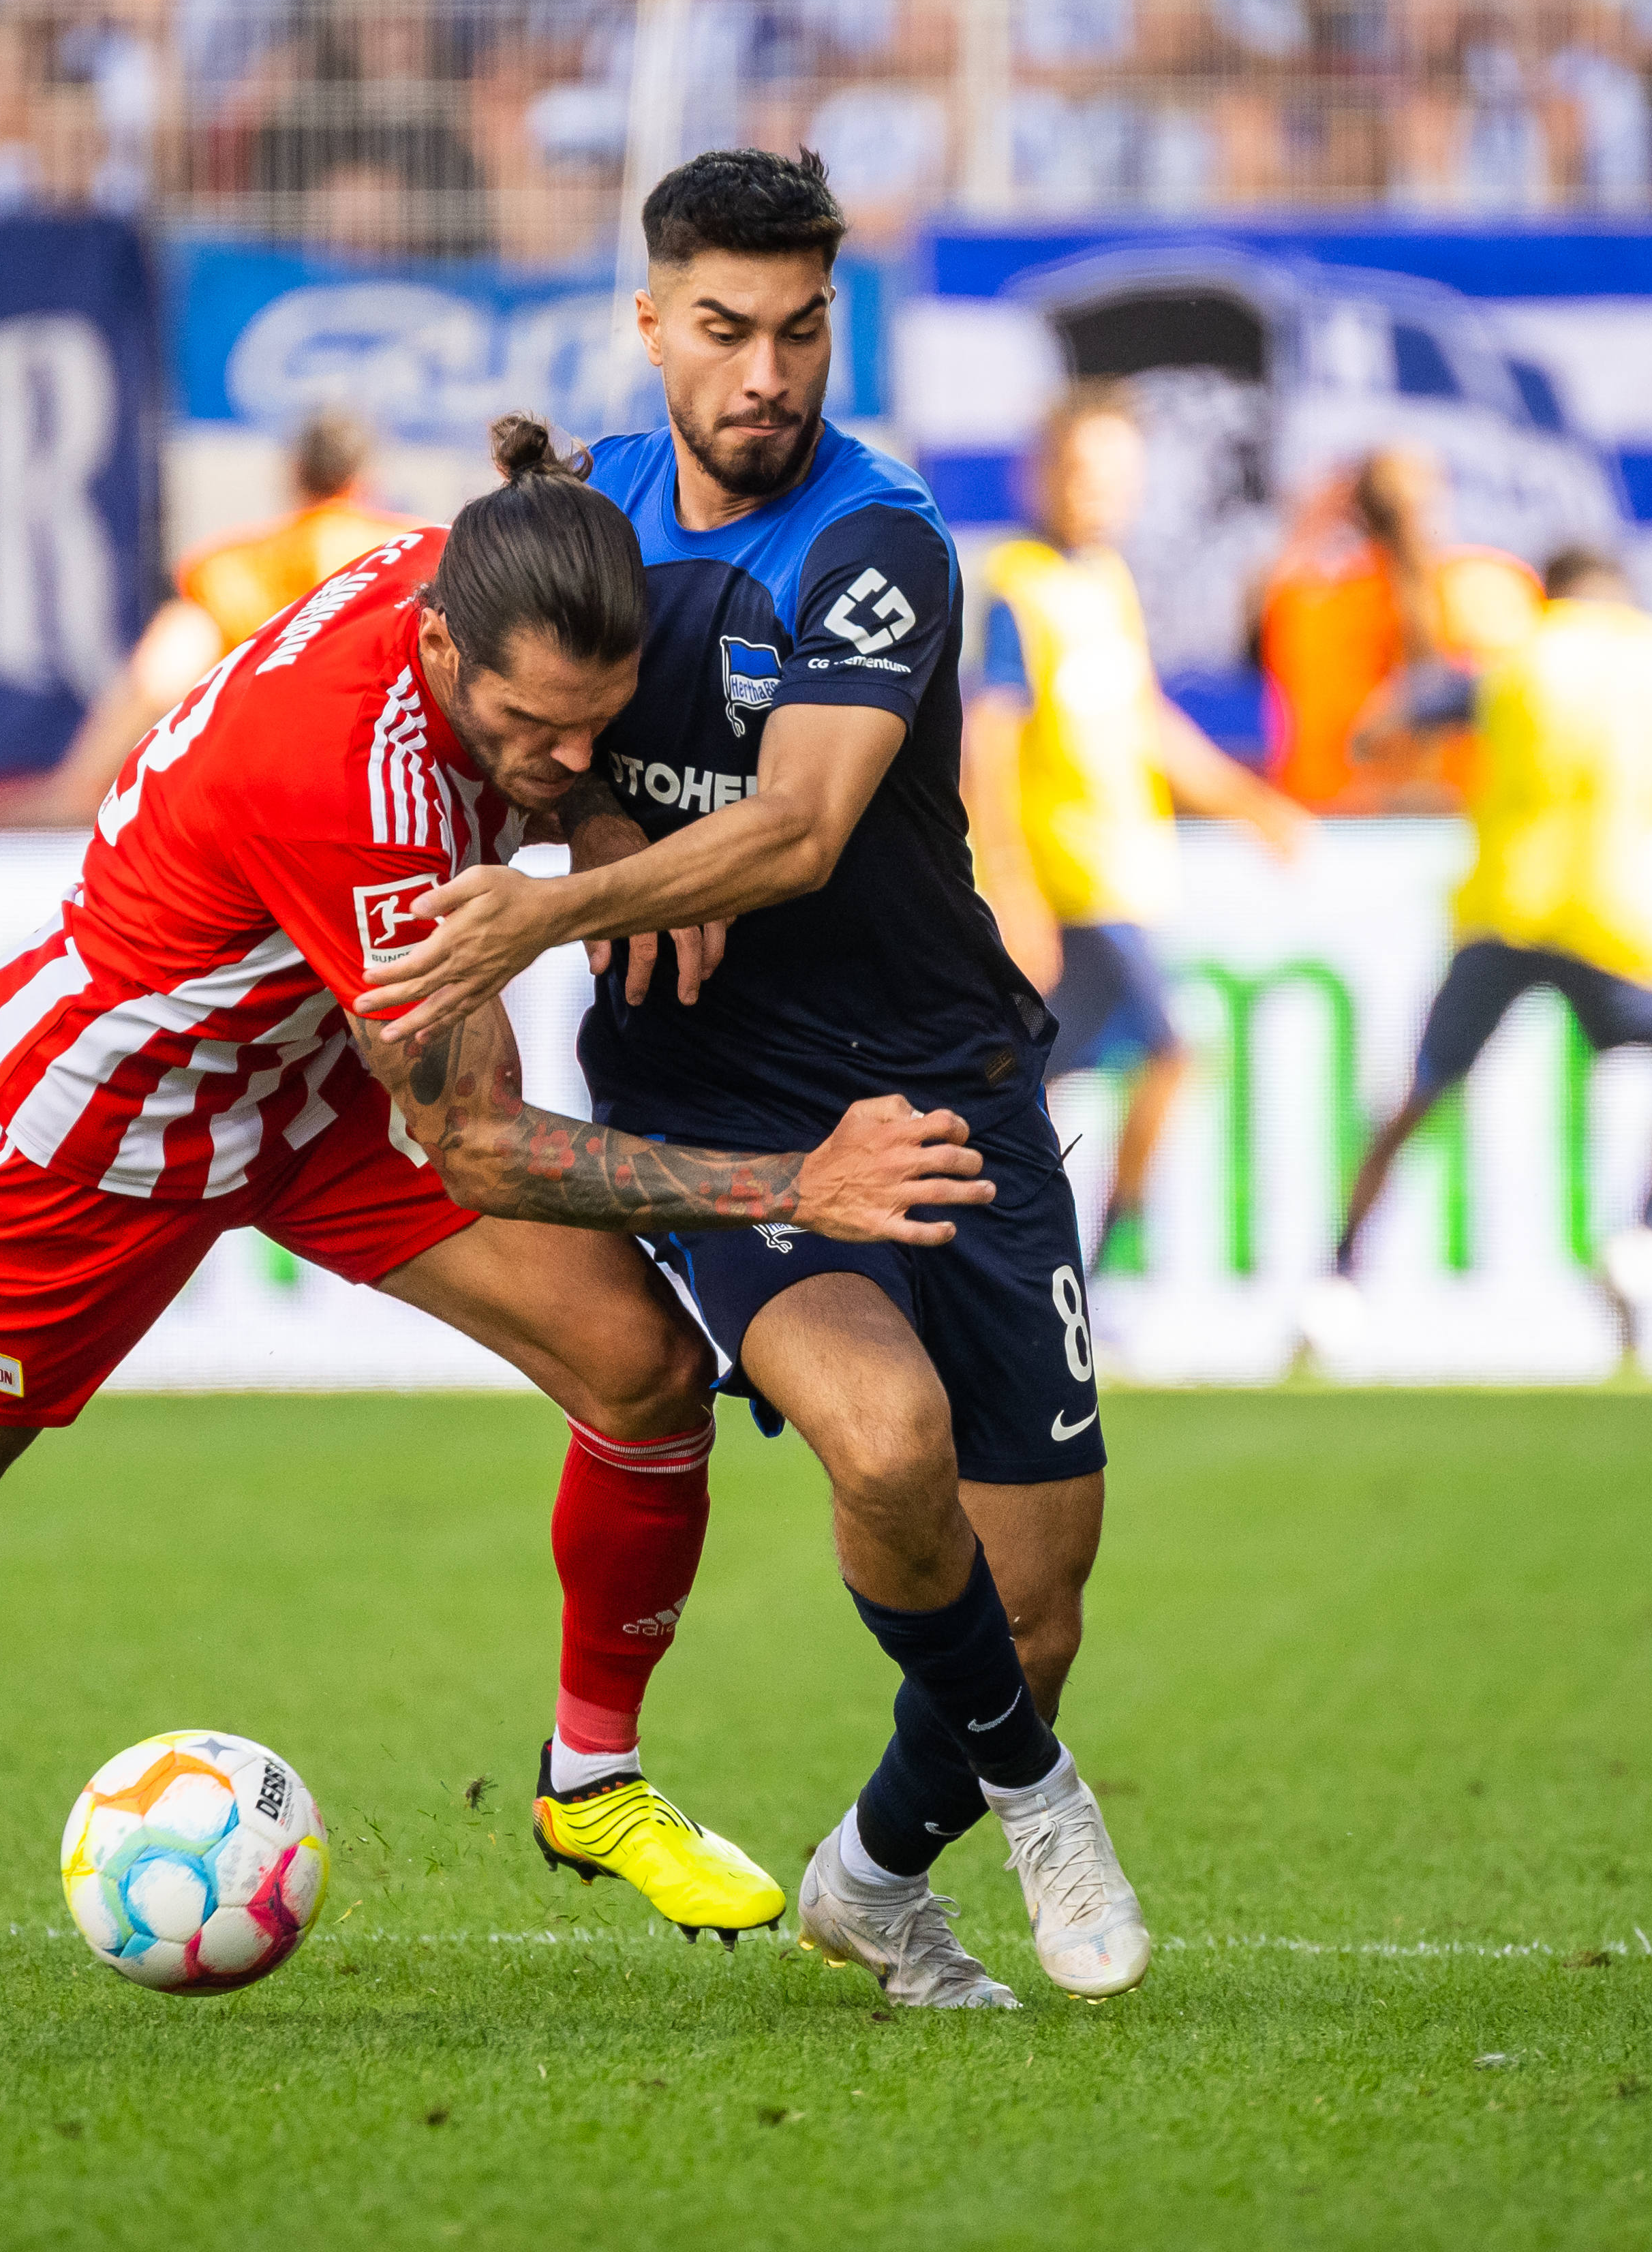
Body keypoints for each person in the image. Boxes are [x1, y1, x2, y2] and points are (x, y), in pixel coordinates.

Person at [0, 421, 995, 1950]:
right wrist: (803, 1181)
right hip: (113, 1124)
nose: (571, 761)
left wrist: (594, 827)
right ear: (440, 651)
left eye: (599, 722)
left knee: (644, 1374)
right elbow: (486, 1144)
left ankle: (591, 1787)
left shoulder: (481, 587)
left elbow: (528, 835)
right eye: (534, 735)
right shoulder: (347, 785)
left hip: (306, 1087)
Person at [358, 149, 1152, 2012]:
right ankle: (1039, 1802)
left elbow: (796, 830)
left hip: (950, 1082)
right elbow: (501, 723)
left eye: (800, 330)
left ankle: (876, 1877)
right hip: (725, 1098)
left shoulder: (881, 538)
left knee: (1032, 1607)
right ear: (650, 324)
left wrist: (548, 911)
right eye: (723, 329)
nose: (764, 372)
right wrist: (605, 803)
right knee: (882, 1443)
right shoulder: (575, 523)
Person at [1300, 543, 1652, 1366]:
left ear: (1550, 596)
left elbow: (1381, 728)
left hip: (1505, 907)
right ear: (1625, 596)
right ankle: (1644, 1237)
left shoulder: (1514, 660)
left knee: (1418, 1093)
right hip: (1626, 916)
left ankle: (1336, 1282)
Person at [967, 381, 1311, 1281]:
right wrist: (1010, 888)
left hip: (1118, 883)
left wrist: (1248, 802)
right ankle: (1090, 1270)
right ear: (1041, 475)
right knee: (1172, 1052)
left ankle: (999, 1267)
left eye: (1122, 474)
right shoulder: (1021, 588)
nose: (1104, 490)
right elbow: (986, 746)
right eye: (1086, 470)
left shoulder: (1101, 582)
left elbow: (1144, 721)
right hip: (1074, 890)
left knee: (1031, 1087)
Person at [31, 404, 410, 821]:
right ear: (366, 478)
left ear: (294, 472)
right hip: (390, 792)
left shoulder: (234, 568)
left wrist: (78, 790)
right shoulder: (412, 553)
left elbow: (156, 682)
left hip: (265, 801)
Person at [1254, 444, 1544, 809]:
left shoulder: (1313, 604)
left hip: (1342, 820)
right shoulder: (1496, 584)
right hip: (1462, 814)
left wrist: (1305, 531)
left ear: (1355, 517)